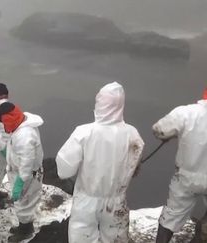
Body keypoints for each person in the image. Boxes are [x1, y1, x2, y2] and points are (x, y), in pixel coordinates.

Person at [55, 82, 144, 243]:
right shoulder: (132, 134)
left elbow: (64, 170)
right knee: (116, 237)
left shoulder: (84, 132)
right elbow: (134, 165)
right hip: (117, 200)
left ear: (100, 104)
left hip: (87, 200)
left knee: (82, 236)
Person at [152, 88, 207, 243]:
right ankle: (202, 233)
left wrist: (170, 135)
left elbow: (159, 130)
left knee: (171, 216)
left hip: (186, 178)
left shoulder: (186, 113)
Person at [0, 102, 44, 242]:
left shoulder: (24, 136)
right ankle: (24, 225)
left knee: (24, 202)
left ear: (8, 119)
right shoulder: (21, 123)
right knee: (23, 201)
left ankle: (26, 230)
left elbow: (27, 162)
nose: (4, 127)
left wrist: (20, 181)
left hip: (27, 175)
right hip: (23, 171)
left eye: (3, 122)